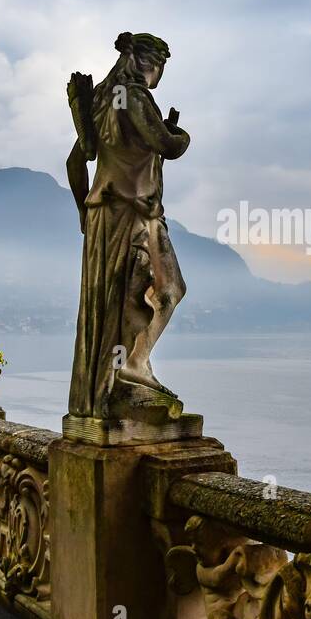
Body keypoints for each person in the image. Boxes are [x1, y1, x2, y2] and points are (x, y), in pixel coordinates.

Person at [66, 33, 190, 418]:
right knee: (168, 289)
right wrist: (182, 135)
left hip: (104, 212)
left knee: (117, 300)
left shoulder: (102, 104)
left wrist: (84, 214)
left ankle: (115, 380)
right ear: (143, 61)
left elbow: (75, 163)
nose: (159, 73)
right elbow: (167, 144)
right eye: (159, 64)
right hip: (137, 214)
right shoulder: (133, 97)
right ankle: (133, 366)